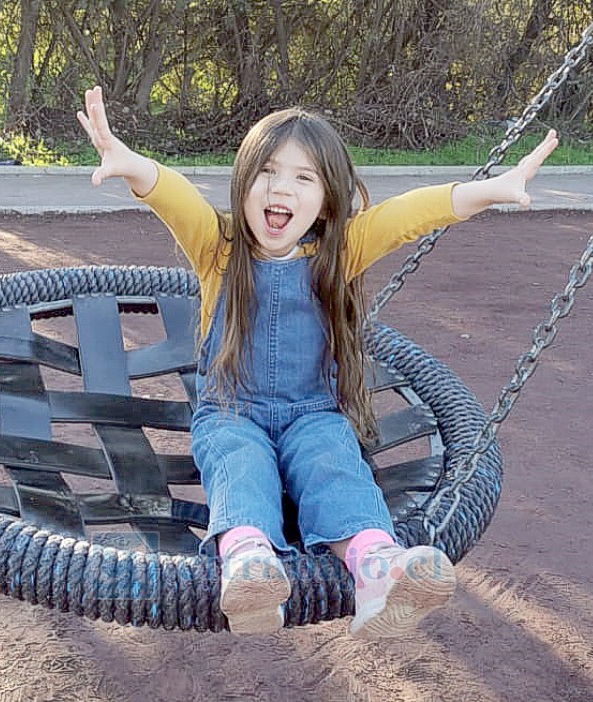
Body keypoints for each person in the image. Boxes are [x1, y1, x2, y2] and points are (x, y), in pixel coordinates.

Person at [77, 86, 558, 639]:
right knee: (238, 464)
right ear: (244, 181)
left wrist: (490, 191)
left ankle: (378, 567)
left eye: (303, 178)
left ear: (328, 200)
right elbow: (175, 196)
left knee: (335, 465)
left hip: (313, 412)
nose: (281, 188)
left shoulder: (340, 251)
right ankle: (250, 567)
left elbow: (407, 215)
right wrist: (130, 163)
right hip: (232, 410)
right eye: (267, 172)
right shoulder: (218, 246)